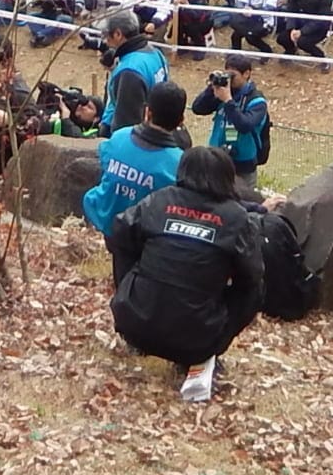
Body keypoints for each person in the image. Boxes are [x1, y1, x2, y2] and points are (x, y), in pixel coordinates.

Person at [105, 143, 267, 402]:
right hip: (196, 340)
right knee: (256, 287)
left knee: (125, 244)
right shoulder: (237, 218)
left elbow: (118, 233)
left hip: (133, 322)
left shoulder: (159, 200)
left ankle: (133, 306)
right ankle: (212, 347)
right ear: (228, 177)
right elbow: (252, 275)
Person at [82, 77, 190, 232]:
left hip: (105, 220)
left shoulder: (120, 136)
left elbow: (105, 162)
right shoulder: (179, 163)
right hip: (144, 236)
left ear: (147, 111)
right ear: (181, 120)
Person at [190, 54, 271, 199]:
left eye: (233, 75)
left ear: (247, 74)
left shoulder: (257, 101)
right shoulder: (222, 92)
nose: (230, 80)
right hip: (217, 159)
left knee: (243, 201)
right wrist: (211, 88)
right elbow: (198, 108)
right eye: (227, 74)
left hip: (242, 164)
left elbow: (244, 125)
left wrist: (228, 101)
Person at [100, 6, 169, 131]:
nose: (105, 41)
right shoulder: (155, 53)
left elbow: (125, 126)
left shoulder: (129, 71)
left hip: (138, 138)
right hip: (157, 127)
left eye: (106, 34)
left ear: (118, 34)